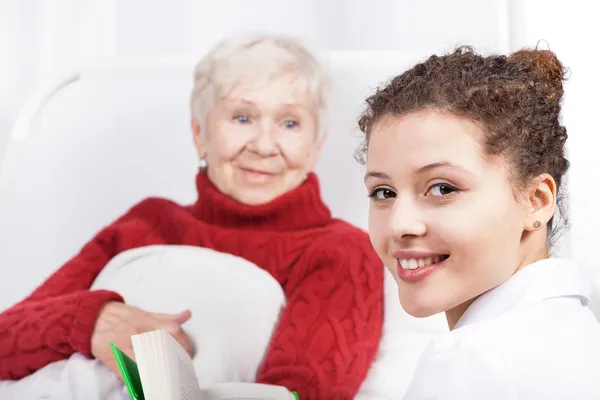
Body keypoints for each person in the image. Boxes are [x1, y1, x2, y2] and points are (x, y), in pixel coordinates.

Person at [0, 33, 384, 400]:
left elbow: (300, 394)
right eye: (242, 117)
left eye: (289, 123)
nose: (265, 145)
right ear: (200, 134)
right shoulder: (148, 222)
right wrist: (93, 322)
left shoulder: (339, 250)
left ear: (316, 146)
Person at [357, 46, 600, 399]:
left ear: (537, 200)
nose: (399, 224)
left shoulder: (472, 360)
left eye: (442, 188)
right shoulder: (577, 333)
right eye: (383, 192)